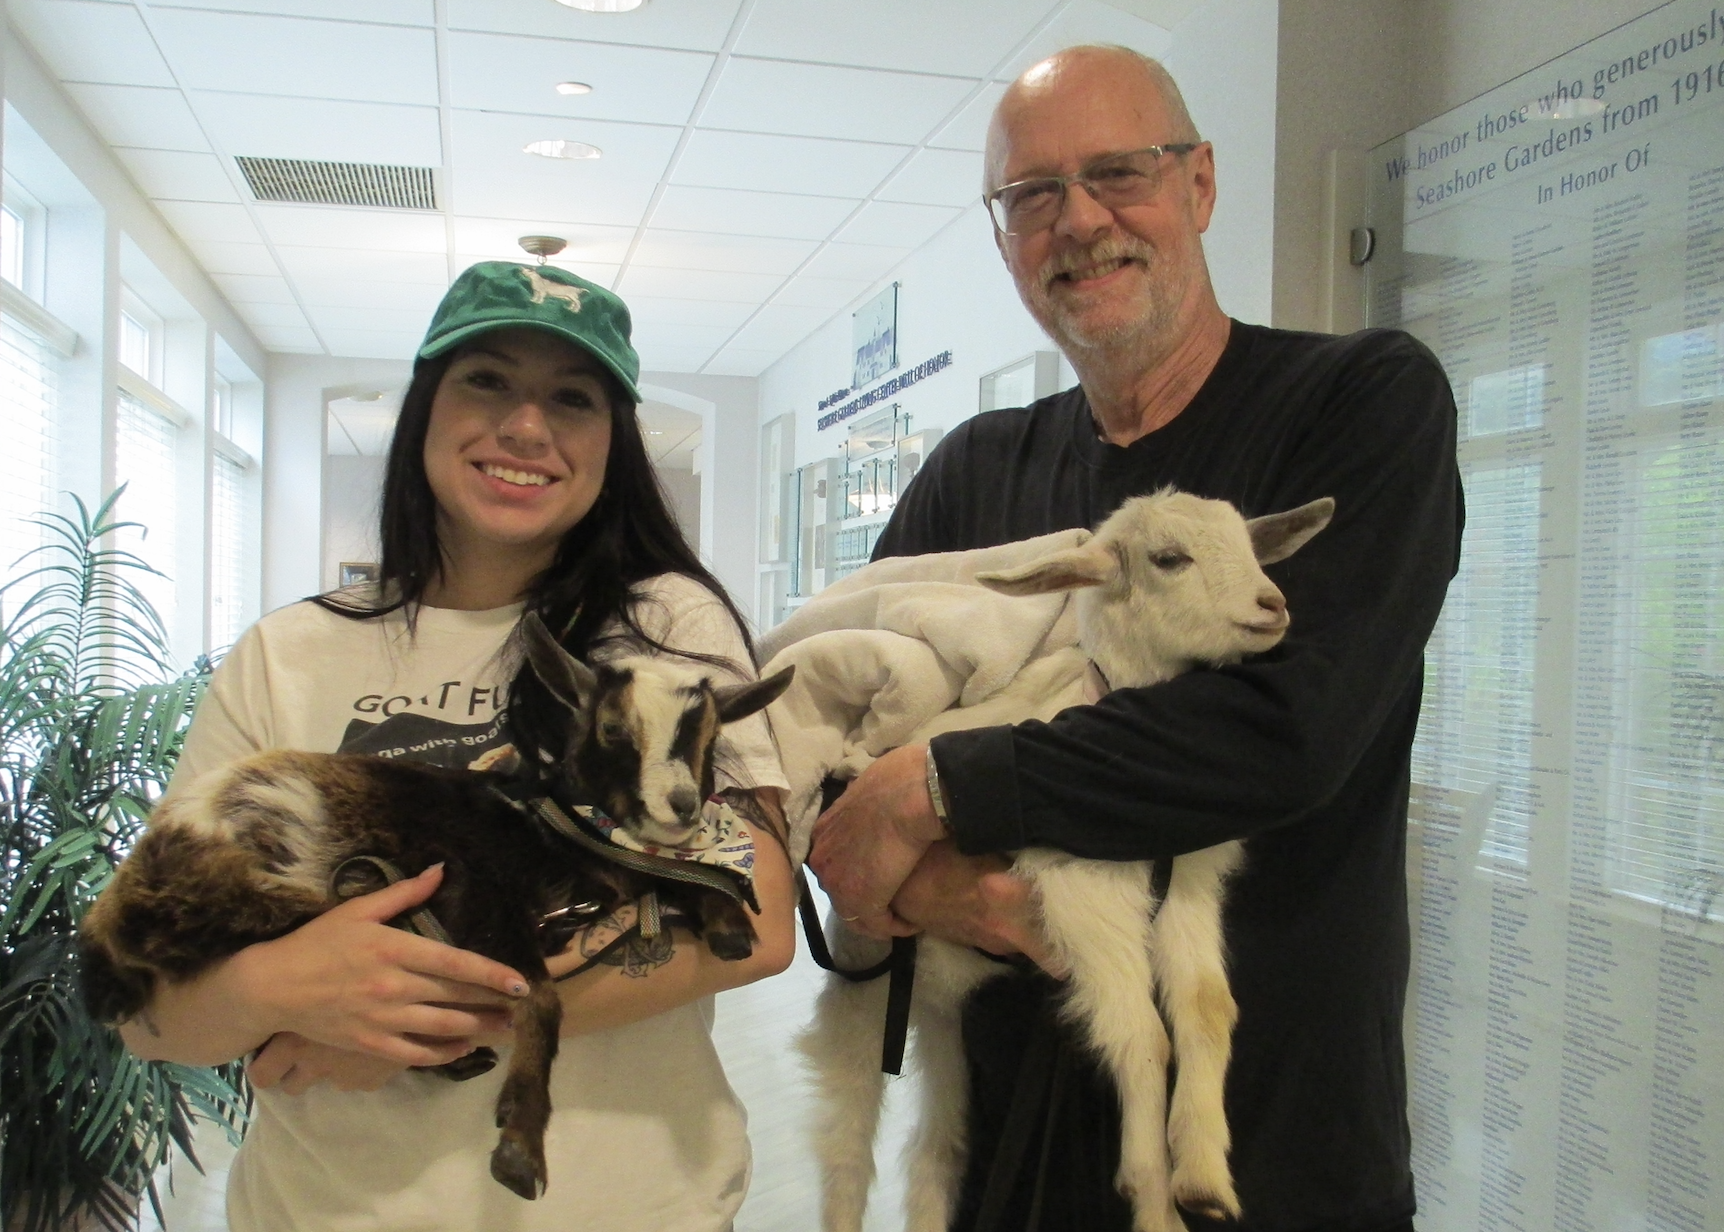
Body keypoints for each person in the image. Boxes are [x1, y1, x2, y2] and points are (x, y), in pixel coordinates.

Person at [809, 46, 1462, 1232]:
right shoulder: (975, 473)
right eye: (1032, 196)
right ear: (1004, 236)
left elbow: (1280, 734)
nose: (1080, 221)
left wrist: (941, 786)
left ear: (1200, 185)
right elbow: (830, 738)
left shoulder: (1359, 405)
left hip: (1274, 1163)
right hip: (1007, 1161)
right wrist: (937, 871)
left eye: (1119, 171)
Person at [117, 261, 796, 1231]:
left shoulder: (666, 631)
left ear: (615, 441)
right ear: (425, 404)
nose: (527, 426)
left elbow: (759, 917)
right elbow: (149, 1005)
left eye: (572, 397)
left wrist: (405, 1026)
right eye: (487, 378)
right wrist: (279, 986)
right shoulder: (287, 653)